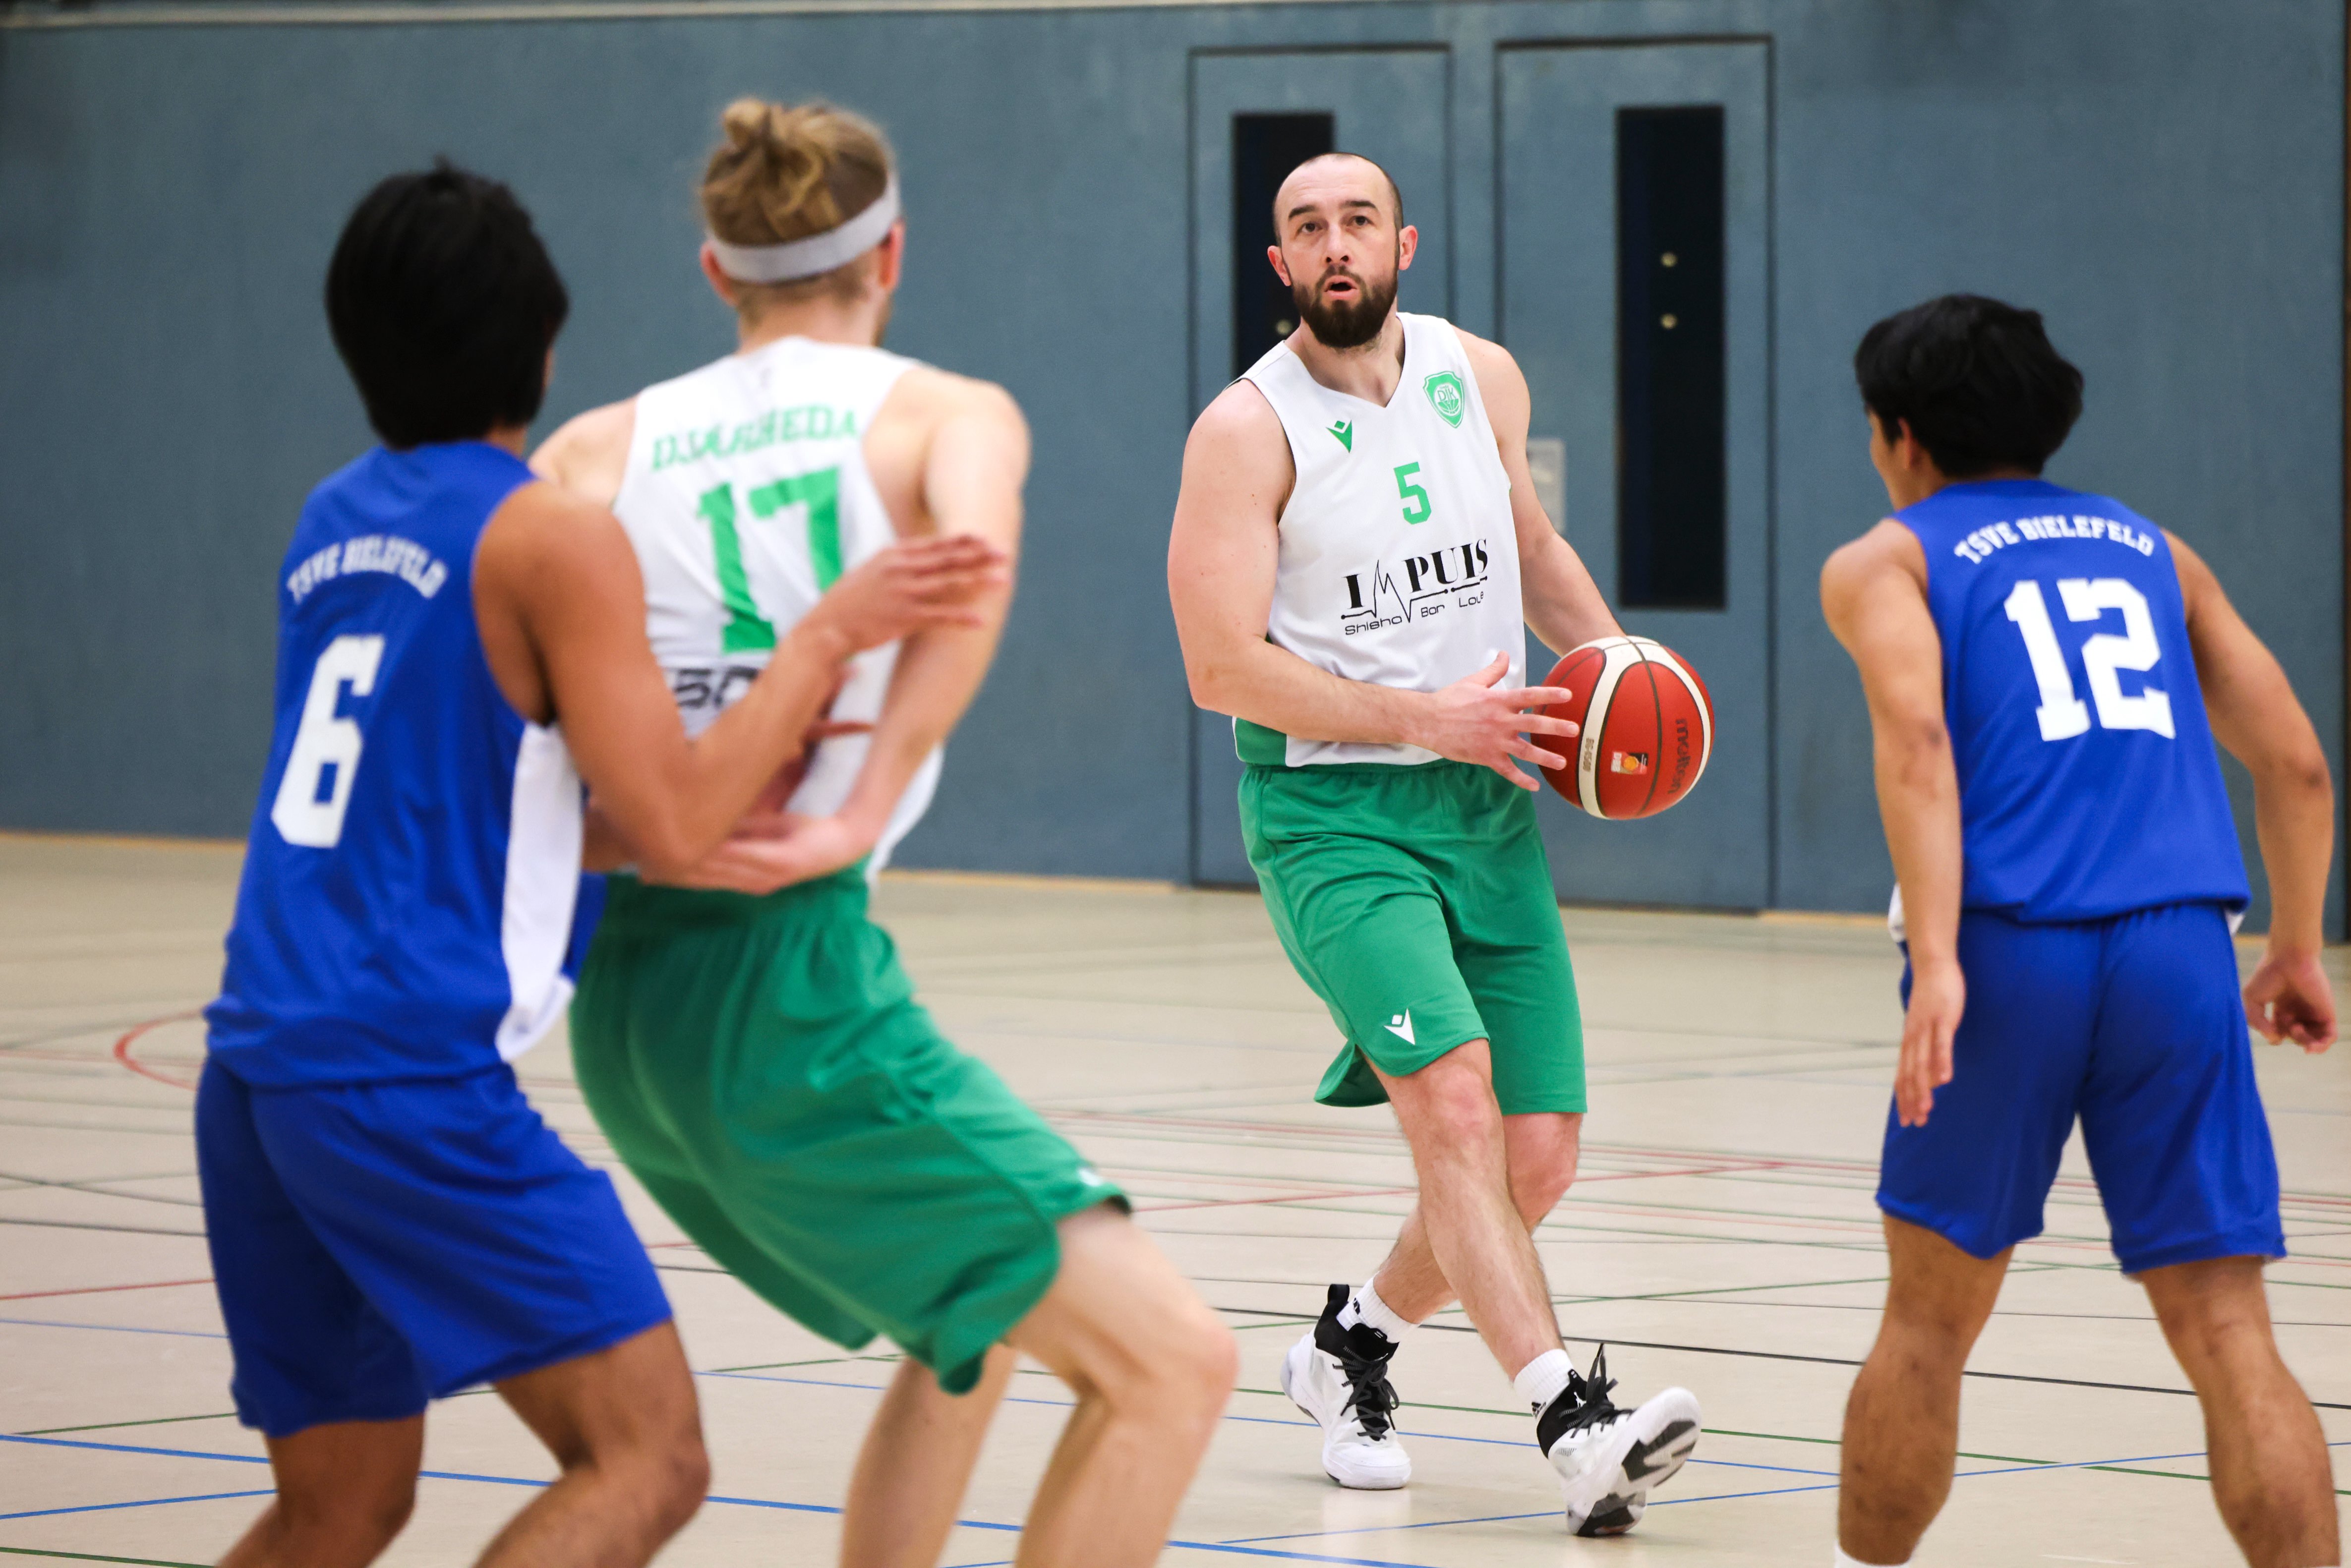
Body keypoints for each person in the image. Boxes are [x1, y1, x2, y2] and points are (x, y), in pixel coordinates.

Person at [197, 163, 1002, 1568]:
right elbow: (676, 826)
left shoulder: (334, 520)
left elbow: (499, 797)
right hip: (403, 1077)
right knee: (648, 1458)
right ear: (544, 342)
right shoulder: (549, 534)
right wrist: (823, 635)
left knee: (339, 1507)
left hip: (256, 1069)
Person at [530, 99, 1237, 1568]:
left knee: (970, 1323)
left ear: (717, 273)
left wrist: (612, 830)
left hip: (630, 1004)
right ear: (891, 254)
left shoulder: (593, 448)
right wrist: (858, 803)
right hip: (782, 990)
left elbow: (520, 732)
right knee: (1177, 1363)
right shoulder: (943, 412)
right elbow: (971, 571)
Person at [1163, 150, 1701, 1536]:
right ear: (1279, 263)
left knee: (1537, 1157)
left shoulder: (1480, 376)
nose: (1334, 244)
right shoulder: (1244, 431)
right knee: (1453, 1100)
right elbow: (1218, 666)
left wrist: (1623, 671)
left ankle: (1347, 1346)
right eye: (1306, 228)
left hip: (1485, 804)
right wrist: (1425, 719)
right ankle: (1574, 1427)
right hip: (1333, 815)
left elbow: (1530, 546)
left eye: (1357, 221)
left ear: (1401, 243)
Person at [1820, 293, 2341, 1568]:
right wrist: (2294, 943)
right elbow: (2295, 763)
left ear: (1898, 436)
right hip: (2179, 947)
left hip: (2008, 947)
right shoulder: (2154, 551)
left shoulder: (1887, 560)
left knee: (1927, 1323)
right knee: (2229, 1327)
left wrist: (1937, 958)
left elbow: (1918, 744)